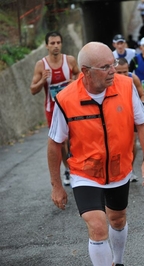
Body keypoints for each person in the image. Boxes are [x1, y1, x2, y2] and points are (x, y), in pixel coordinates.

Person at [47, 42, 144, 266]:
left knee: (117, 219)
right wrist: (57, 185)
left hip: (119, 168)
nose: (113, 70)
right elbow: (55, 143)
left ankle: (119, 261)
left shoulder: (126, 86)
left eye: (113, 63)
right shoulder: (66, 99)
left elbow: (143, 123)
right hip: (84, 172)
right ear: (85, 72)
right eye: (105, 67)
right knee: (97, 226)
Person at [30, 31, 80, 186]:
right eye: (52, 43)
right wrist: (43, 81)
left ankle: (76, 167)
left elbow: (80, 76)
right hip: (52, 109)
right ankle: (68, 169)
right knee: (61, 141)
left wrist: (74, 82)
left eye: (58, 42)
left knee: (75, 138)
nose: (56, 46)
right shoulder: (41, 65)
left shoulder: (70, 61)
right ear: (46, 46)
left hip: (71, 106)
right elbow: (33, 89)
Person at [115, 57, 144, 182]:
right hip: (116, 115)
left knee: (132, 143)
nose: (123, 75)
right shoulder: (109, 80)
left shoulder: (133, 78)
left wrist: (141, 103)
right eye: (119, 72)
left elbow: (142, 94)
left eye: (125, 72)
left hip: (131, 115)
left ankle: (129, 169)